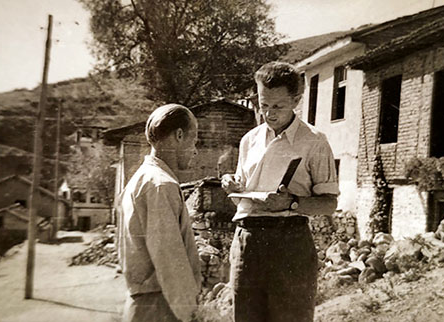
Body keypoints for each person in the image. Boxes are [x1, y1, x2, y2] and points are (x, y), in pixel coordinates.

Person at [221, 61, 339, 322]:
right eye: (263, 105)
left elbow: (329, 203)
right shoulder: (249, 140)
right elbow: (242, 187)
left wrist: (292, 203)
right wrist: (230, 182)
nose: (268, 114)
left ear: (296, 100)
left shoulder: (314, 141)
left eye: (277, 106)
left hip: (290, 243)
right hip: (248, 241)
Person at [118, 104, 203, 322]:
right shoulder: (160, 185)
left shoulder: (143, 179)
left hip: (147, 304)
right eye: (194, 140)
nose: (195, 150)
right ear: (179, 135)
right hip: (160, 307)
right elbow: (169, 258)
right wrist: (192, 313)